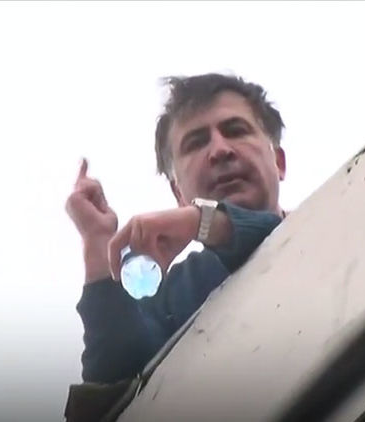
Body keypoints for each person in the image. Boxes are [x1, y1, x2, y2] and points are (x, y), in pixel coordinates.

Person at [65, 73, 289, 385]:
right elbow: (115, 380)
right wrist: (98, 245)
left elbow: (279, 234)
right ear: (178, 193)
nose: (220, 150)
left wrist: (205, 221)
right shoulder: (173, 296)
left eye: (235, 130)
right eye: (196, 142)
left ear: (279, 162)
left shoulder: (335, 217)